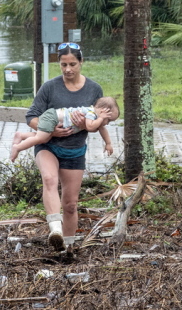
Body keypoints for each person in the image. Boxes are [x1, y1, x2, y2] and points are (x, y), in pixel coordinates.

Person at [26, 42, 108, 252]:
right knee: (49, 179)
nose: (68, 69)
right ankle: (55, 229)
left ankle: (67, 249)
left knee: (70, 205)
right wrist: (51, 131)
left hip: (74, 151)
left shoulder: (94, 89)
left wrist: (86, 127)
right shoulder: (50, 87)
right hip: (48, 145)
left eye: (72, 64)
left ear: (81, 62)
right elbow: (31, 117)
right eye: (63, 65)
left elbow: (100, 122)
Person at [10, 96, 119, 162]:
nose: (107, 123)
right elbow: (90, 127)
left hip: (53, 117)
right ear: (102, 112)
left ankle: (21, 136)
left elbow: (102, 129)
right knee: (41, 137)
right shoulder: (91, 113)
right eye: (108, 120)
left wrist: (108, 143)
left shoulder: (96, 117)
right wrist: (101, 119)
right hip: (53, 117)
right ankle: (18, 147)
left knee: (44, 138)